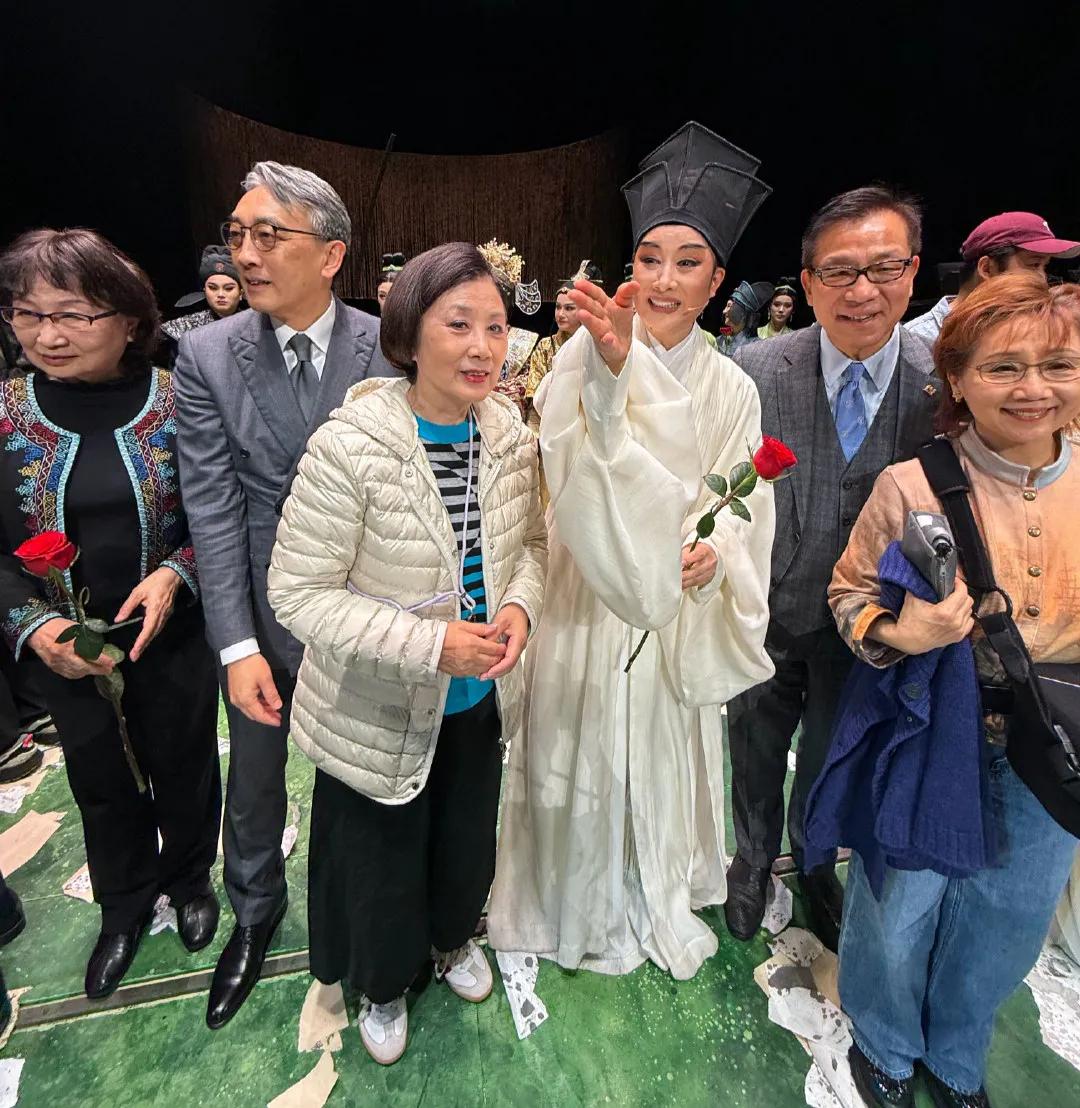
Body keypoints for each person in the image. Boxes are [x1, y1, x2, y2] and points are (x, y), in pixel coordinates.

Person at [488, 122, 776, 980]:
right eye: (650, 258)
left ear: (717, 280)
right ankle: (573, 892)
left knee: (654, 737)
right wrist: (611, 376)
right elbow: (565, 463)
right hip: (588, 587)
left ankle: (652, 881)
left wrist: (714, 555)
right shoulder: (583, 351)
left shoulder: (732, 384)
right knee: (576, 734)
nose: (664, 280)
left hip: (671, 602)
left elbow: (740, 498)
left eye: (688, 263)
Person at [267, 242, 546, 1065]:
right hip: (376, 708)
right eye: (458, 324)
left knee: (464, 839)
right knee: (380, 861)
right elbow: (298, 593)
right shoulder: (351, 446)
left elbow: (530, 545)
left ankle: (455, 940)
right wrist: (430, 645)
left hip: (479, 698)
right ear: (409, 332)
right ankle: (383, 984)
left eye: (495, 327)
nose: (482, 347)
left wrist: (520, 606)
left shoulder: (508, 435)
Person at [825, 274, 1080, 1108]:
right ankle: (885, 1038)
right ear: (958, 380)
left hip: (1056, 742)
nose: (1034, 388)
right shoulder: (915, 485)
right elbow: (850, 593)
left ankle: (958, 1048)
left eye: (1058, 366)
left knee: (1012, 913)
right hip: (933, 729)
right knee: (900, 899)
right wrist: (902, 632)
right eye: (1004, 367)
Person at [173, 160, 398, 1030]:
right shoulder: (206, 355)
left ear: (331, 254)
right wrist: (235, 644)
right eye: (238, 235)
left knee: (371, 781)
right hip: (264, 608)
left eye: (269, 235)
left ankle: (375, 928)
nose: (247, 253)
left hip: (373, 606)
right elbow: (212, 506)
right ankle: (255, 911)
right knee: (256, 777)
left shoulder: (389, 342)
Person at [0, 228, 221, 998]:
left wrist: (175, 575)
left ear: (129, 320)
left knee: (186, 762)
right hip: (66, 646)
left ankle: (190, 881)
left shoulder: (179, 400)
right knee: (98, 776)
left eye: (73, 315)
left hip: (171, 633)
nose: (47, 335)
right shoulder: (5, 413)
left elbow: (220, 514)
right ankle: (122, 905)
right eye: (28, 314)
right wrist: (37, 628)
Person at [725, 187, 938, 951]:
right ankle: (752, 859)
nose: (862, 291)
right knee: (754, 742)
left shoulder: (941, 383)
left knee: (831, 752)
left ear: (913, 273)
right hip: (768, 607)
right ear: (809, 284)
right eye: (840, 271)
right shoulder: (755, 369)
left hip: (873, 620)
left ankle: (814, 860)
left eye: (883, 268)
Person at [905, 212, 1080, 346]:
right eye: (1034, 265)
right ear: (987, 269)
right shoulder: (917, 341)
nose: (1043, 279)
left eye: (1044, 267)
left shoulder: (1040, 328)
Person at [523, 262, 599, 433]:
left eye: (569, 308)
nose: (560, 314)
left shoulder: (595, 346)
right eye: (558, 307)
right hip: (546, 423)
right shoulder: (545, 347)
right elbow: (535, 398)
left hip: (587, 424)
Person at [161, 244, 245, 342]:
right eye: (213, 288)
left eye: (228, 288)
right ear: (205, 290)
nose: (220, 294)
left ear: (241, 292)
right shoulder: (188, 327)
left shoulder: (254, 323)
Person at [718, 280, 773, 357]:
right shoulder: (719, 341)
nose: (724, 311)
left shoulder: (756, 345)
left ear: (742, 314)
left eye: (729, 306)